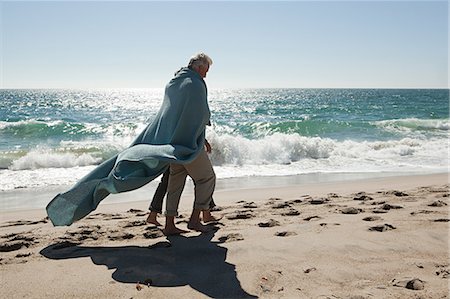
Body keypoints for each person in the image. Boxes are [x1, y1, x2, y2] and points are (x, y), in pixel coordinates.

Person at [146, 139, 220, 226]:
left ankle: (154, 214)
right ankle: (205, 213)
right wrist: (203, 140)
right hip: (183, 146)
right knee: (201, 179)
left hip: (171, 146)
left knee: (169, 181)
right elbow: (190, 128)